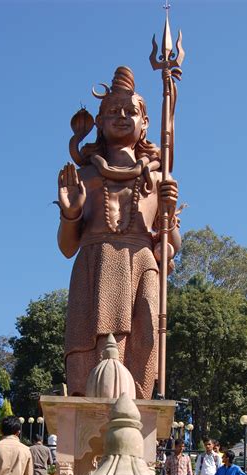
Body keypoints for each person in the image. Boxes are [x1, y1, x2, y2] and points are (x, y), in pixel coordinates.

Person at [57, 65, 181, 398]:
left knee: (143, 340)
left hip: (141, 266)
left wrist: (168, 217)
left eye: (131, 111)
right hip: (95, 264)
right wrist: (71, 214)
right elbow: (68, 247)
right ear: (98, 122)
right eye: (113, 111)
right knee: (91, 346)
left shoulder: (157, 180)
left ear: (146, 123)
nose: (122, 117)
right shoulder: (84, 176)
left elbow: (169, 246)